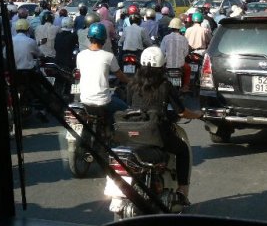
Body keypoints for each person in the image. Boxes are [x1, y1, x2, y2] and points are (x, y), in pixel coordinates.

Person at [124, 46, 203, 204]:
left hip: (131, 132)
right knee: (182, 150)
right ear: (162, 66)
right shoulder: (165, 85)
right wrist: (197, 115)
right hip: (156, 134)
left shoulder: (131, 84)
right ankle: (182, 190)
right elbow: (181, 112)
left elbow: (130, 106)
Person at [76, 22, 129, 125]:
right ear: (104, 39)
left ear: (89, 38)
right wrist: (131, 81)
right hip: (103, 102)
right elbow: (120, 76)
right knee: (125, 108)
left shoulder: (80, 55)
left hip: (84, 99)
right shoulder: (109, 56)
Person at [159, 18, 191, 93]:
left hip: (167, 65)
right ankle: (185, 86)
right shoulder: (184, 39)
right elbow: (186, 53)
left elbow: (162, 52)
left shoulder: (165, 38)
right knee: (188, 68)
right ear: (180, 28)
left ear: (171, 27)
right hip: (180, 65)